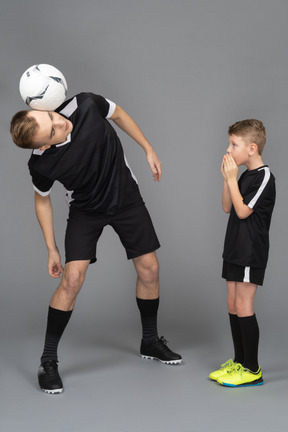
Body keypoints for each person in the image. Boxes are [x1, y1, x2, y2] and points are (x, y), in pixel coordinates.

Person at [10, 92, 182, 394]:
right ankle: (48, 361)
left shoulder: (85, 104)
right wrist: (51, 248)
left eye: (52, 116)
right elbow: (42, 202)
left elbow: (118, 114)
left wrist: (148, 148)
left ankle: (150, 341)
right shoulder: (41, 165)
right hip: (86, 210)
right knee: (71, 280)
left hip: (126, 199)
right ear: (44, 145)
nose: (61, 123)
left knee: (150, 269)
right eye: (53, 130)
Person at [209, 119, 275, 387]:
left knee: (244, 305)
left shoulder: (264, 177)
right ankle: (238, 361)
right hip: (234, 248)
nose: (228, 148)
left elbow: (243, 211)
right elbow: (227, 206)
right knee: (232, 303)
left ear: (252, 148)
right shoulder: (243, 175)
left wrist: (232, 178)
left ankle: (252, 369)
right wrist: (228, 180)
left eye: (233, 144)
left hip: (250, 252)